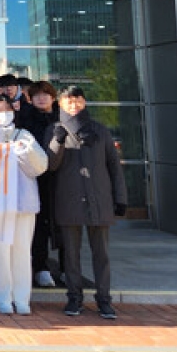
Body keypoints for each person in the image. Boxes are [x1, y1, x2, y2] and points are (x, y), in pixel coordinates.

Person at [46, 86, 127, 320]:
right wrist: (57, 142)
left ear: (84, 102)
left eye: (78, 100)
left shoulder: (99, 130)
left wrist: (120, 198)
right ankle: (74, 298)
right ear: (60, 104)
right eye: (69, 101)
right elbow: (50, 165)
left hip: (98, 199)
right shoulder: (54, 129)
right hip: (68, 199)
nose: (74, 105)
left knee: (101, 253)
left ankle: (104, 300)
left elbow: (113, 166)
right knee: (70, 254)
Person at [0, 95, 47, 315]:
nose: (3, 113)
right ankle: (3, 297)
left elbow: (40, 166)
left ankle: (22, 297)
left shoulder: (24, 135)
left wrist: (24, 150)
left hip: (23, 203)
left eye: (7, 109)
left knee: (22, 251)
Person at [27, 81, 62, 288]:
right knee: (39, 224)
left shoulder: (64, 119)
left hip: (61, 179)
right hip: (36, 179)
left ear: (53, 97)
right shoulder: (24, 121)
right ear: (30, 99)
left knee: (64, 224)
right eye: (37, 95)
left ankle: (68, 268)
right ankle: (41, 267)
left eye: (45, 95)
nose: (42, 98)